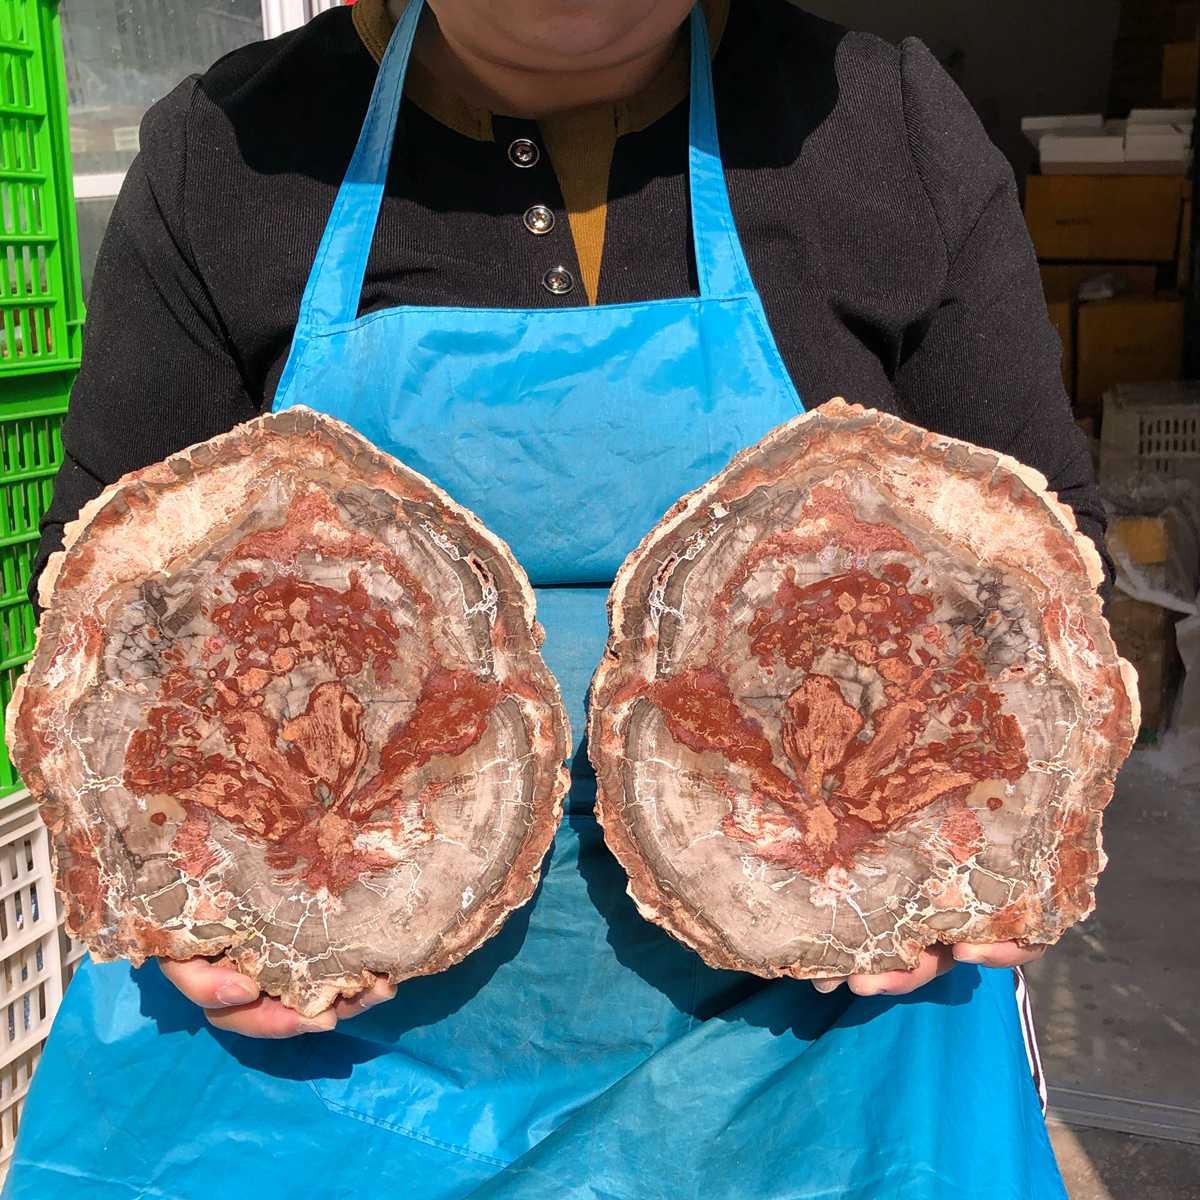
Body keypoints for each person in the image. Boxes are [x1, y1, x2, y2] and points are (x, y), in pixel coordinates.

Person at [5, 0, 1091, 1196]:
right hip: (318, 1076)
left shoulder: (884, 128)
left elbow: (1040, 588)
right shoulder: (223, 154)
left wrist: (972, 842)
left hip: (820, 1068)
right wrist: (191, 900)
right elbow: (108, 613)